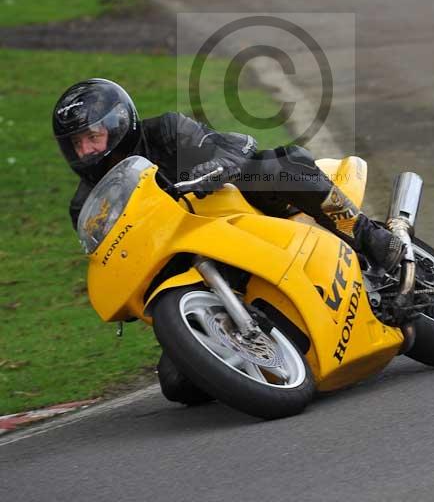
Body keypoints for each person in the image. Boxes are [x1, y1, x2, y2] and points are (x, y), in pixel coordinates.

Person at [52, 78, 404, 399]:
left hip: (232, 210)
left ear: (118, 124)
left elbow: (228, 146)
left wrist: (212, 165)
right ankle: (257, 355)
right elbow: (111, 252)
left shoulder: (165, 130)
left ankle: (368, 236)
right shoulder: (86, 204)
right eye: (76, 144)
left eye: (92, 137)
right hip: (182, 255)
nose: (86, 151)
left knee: (275, 167)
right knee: (176, 384)